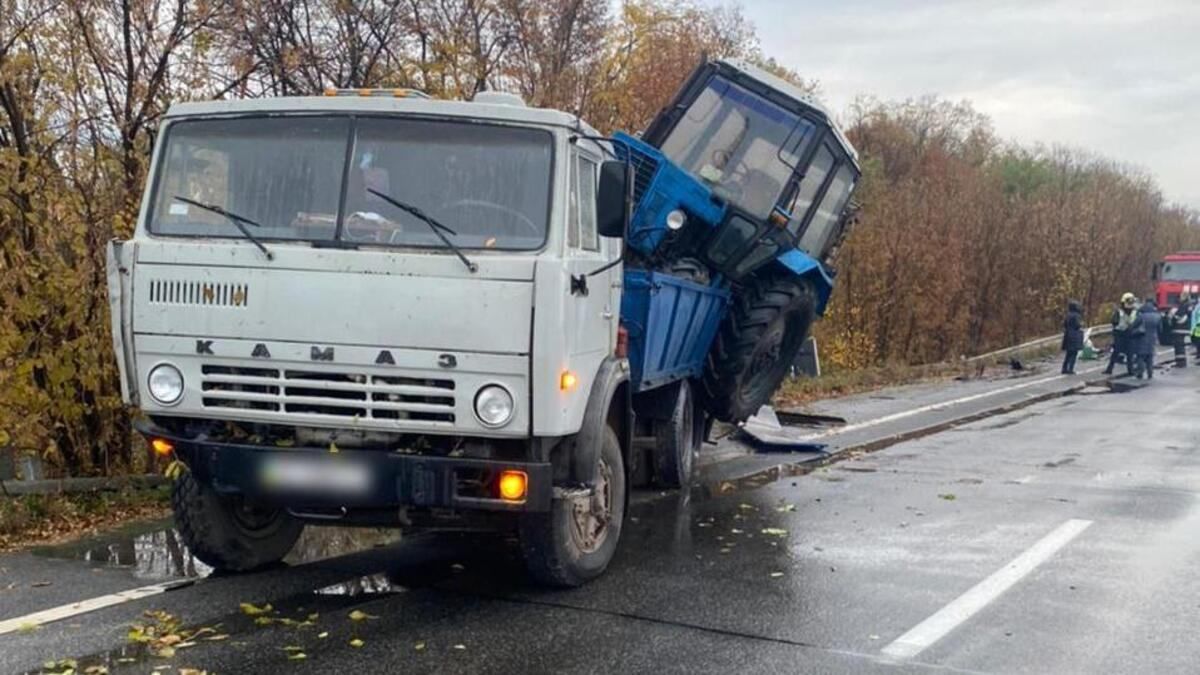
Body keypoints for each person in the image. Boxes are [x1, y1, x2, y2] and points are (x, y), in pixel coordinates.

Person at [1103, 292, 1139, 376]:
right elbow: (1114, 321)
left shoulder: (1133, 312)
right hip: (1121, 334)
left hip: (1127, 334)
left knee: (1128, 353)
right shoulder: (1120, 312)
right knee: (1119, 353)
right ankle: (1111, 369)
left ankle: (1129, 370)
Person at [1134, 298, 1161, 380]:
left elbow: (1134, 325)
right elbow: (1160, 329)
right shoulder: (1157, 316)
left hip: (1142, 337)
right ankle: (1150, 373)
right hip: (1153, 338)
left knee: (1140, 356)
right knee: (1150, 356)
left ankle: (1140, 373)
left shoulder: (1141, 315)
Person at [1169, 292, 1193, 368]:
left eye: (1180, 297)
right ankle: (1181, 362)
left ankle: (1180, 363)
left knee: (1179, 347)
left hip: (1179, 329)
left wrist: (1172, 316)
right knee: (1181, 346)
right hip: (1185, 328)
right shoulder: (1189, 305)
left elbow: (1179, 316)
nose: (1179, 298)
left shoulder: (1183, 305)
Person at [1061, 299, 1084, 375]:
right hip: (1075, 335)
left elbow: (1064, 324)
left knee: (1068, 353)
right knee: (1074, 353)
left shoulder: (1068, 315)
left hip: (1067, 335)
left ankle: (1064, 368)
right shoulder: (1077, 315)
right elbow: (1078, 325)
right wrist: (1081, 325)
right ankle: (1070, 369)